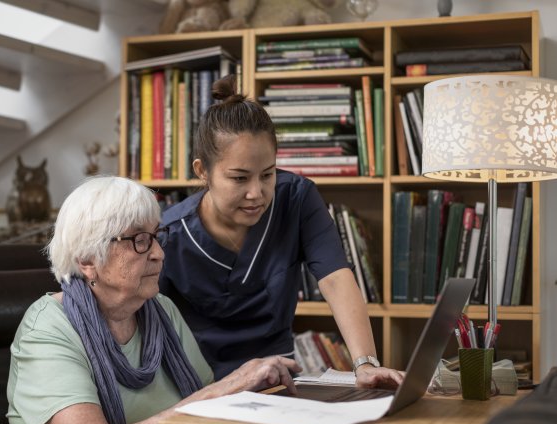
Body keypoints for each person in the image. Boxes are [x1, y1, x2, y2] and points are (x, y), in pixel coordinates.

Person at [159, 75, 404, 388]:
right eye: (239, 179)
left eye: (267, 174)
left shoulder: (297, 199)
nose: (256, 193)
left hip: (278, 383)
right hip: (202, 390)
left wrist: (365, 364)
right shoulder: (168, 236)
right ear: (202, 171)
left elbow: (335, 277)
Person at [6, 176, 301, 424]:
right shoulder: (48, 328)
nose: (159, 253)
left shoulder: (162, 310)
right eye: (139, 239)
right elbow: (207, 400)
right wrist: (229, 387)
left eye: (157, 236)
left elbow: (208, 405)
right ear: (87, 259)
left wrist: (247, 390)